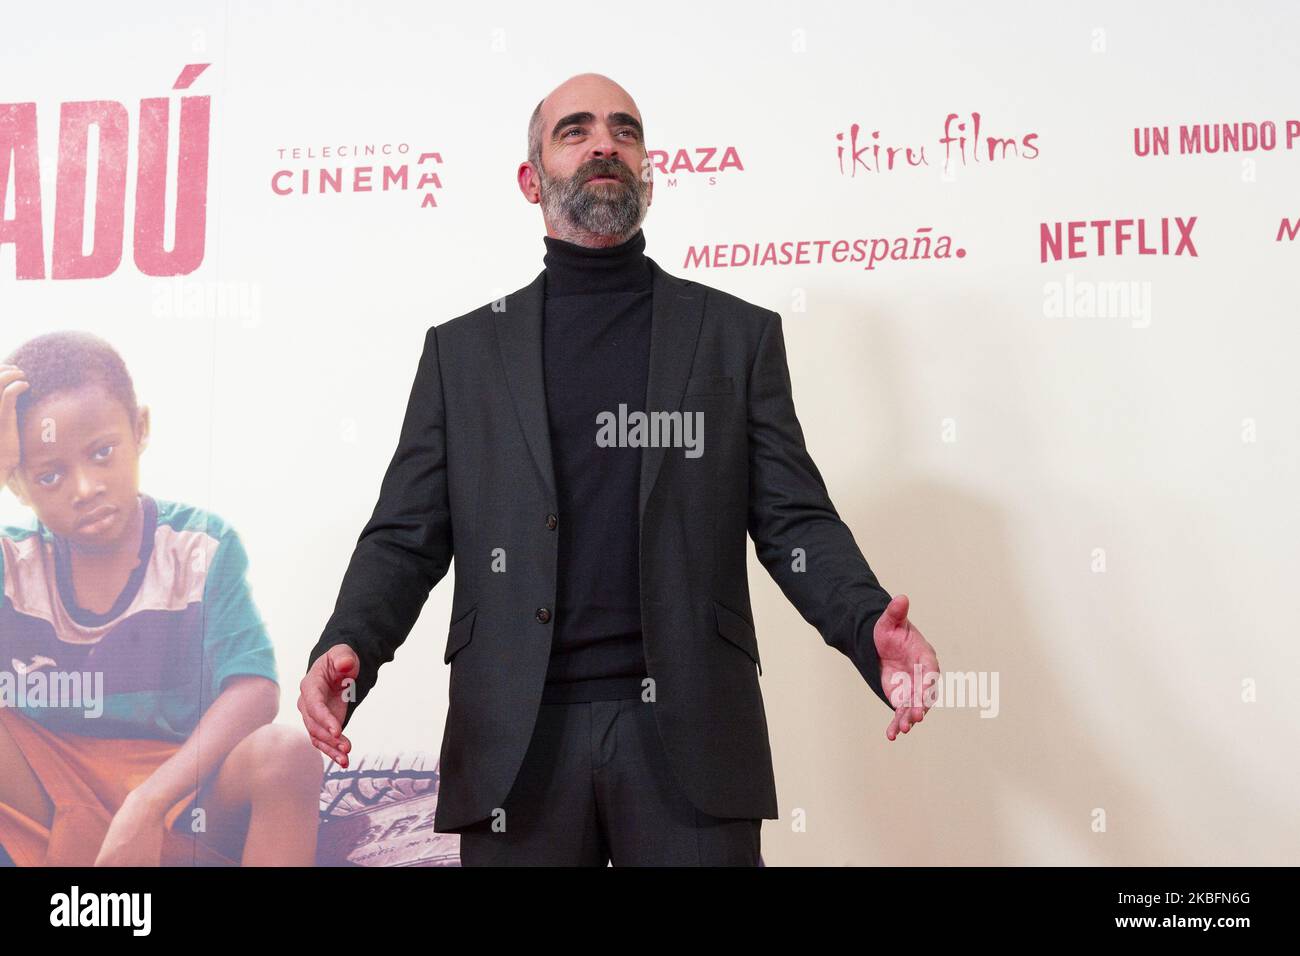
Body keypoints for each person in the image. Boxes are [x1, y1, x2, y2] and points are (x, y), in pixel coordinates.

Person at [299, 73, 941, 866]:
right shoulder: (462, 355)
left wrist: (865, 626)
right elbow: (406, 537)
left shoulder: (733, 337)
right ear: (531, 179)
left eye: (625, 130)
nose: (605, 142)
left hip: (692, 741)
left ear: (647, 172)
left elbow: (792, 519)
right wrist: (349, 643)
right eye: (576, 129)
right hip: (516, 745)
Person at [0, 332, 322, 866]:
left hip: (178, 794)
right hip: (51, 796)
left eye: (102, 453)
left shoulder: (197, 548)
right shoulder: (12, 563)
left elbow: (254, 689)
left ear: (140, 428)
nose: (84, 487)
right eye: (49, 475)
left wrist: (146, 806)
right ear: (17, 483)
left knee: (286, 755)